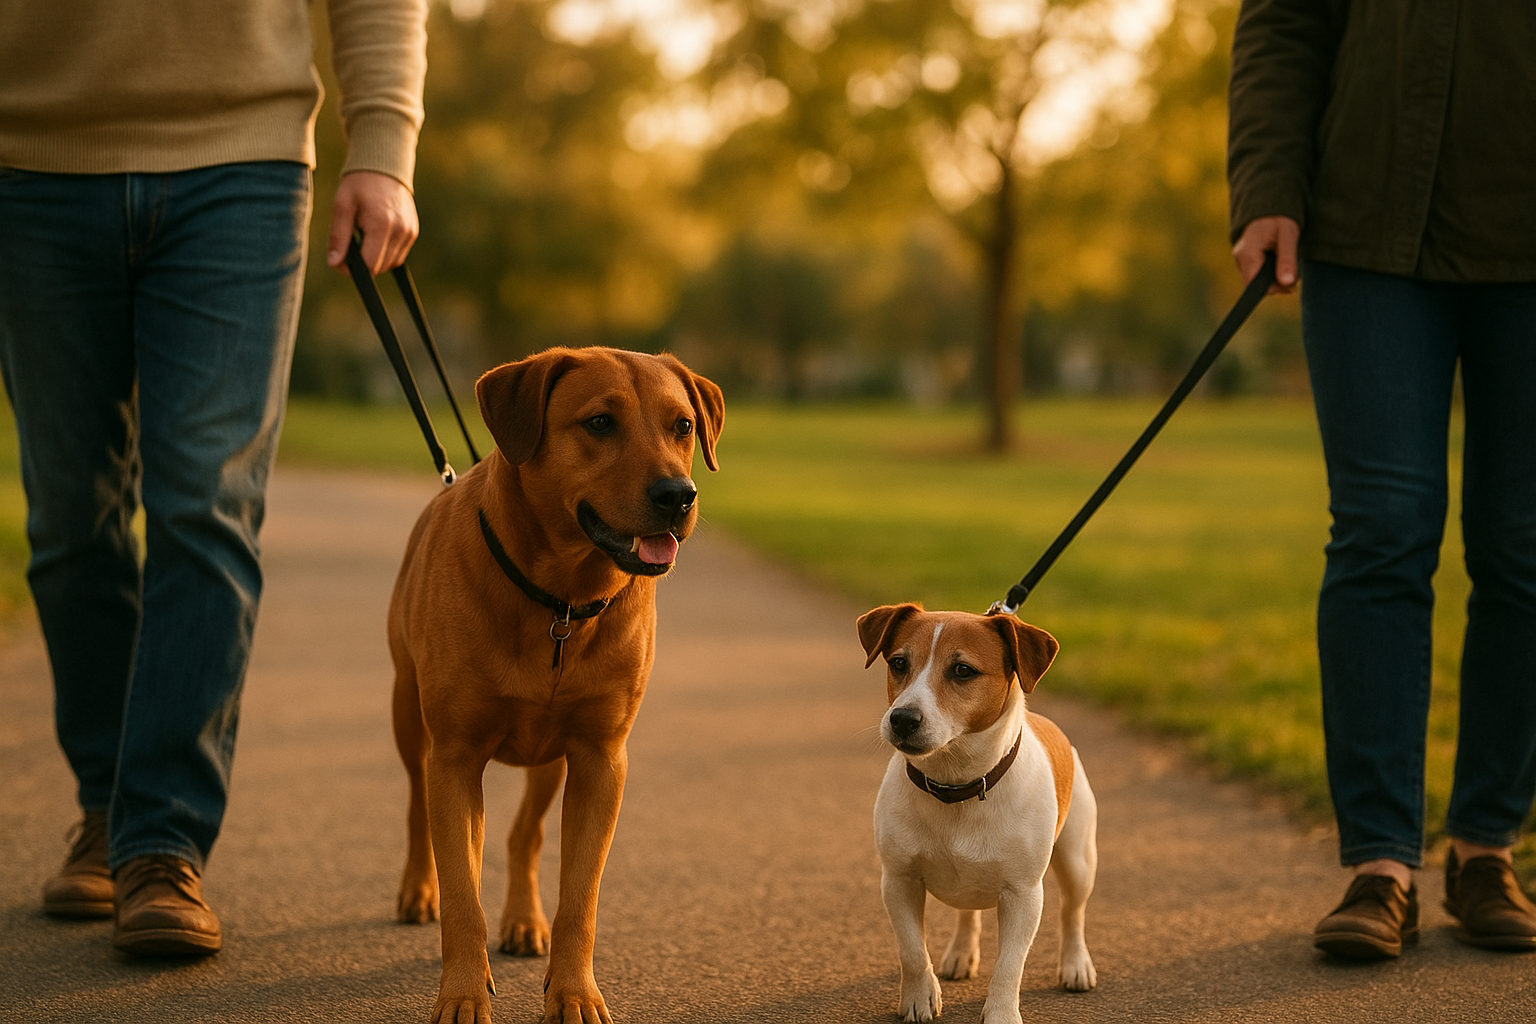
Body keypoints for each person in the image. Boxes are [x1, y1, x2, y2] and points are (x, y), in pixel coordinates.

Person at [0, 0, 427, 956]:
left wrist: (384, 145)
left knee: (205, 505)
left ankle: (159, 843)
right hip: (27, 161)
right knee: (72, 517)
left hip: (245, 160)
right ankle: (107, 811)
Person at [1228, 1, 1536, 959]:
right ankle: (1379, 865)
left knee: (1524, 545)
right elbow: (1283, 18)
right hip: (1365, 229)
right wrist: (1268, 181)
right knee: (1381, 528)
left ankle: (1487, 848)